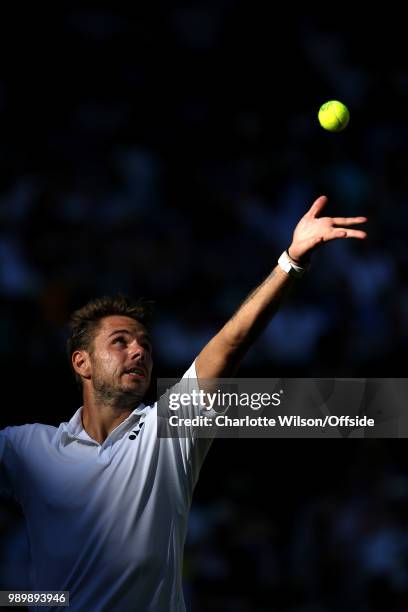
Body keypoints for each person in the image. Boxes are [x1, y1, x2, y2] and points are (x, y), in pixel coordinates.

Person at [0, 196, 367, 611]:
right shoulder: (26, 448)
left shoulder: (167, 431)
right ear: (81, 362)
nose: (138, 351)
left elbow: (229, 345)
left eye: (145, 344)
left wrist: (290, 262)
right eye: (120, 341)